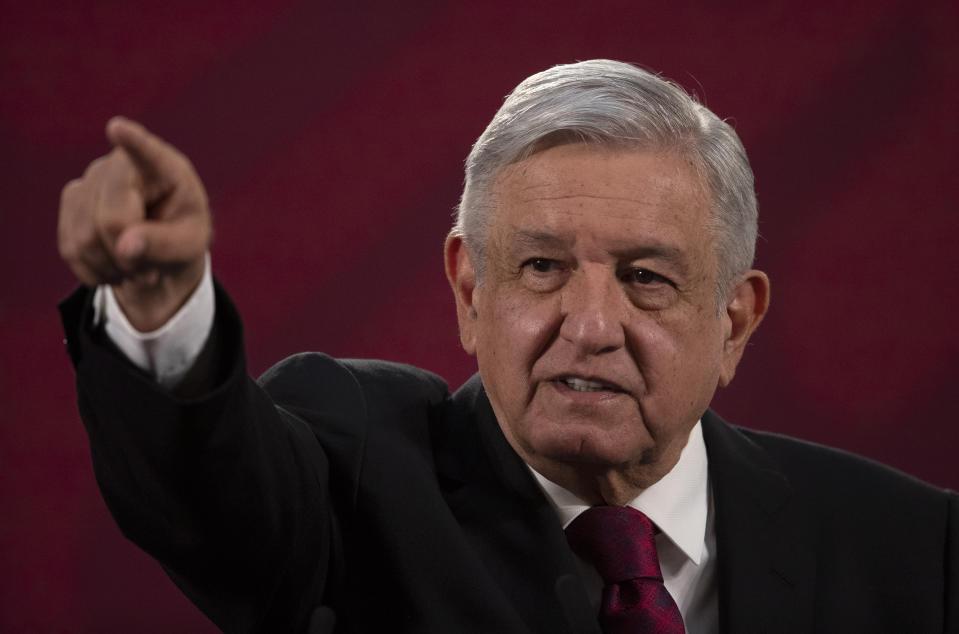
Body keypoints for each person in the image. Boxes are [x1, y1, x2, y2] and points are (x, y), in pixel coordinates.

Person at [59, 60, 957, 633]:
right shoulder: (355, 476)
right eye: (539, 266)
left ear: (733, 322)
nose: (591, 325)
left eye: (646, 277)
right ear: (469, 289)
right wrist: (161, 308)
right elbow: (212, 491)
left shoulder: (916, 550)